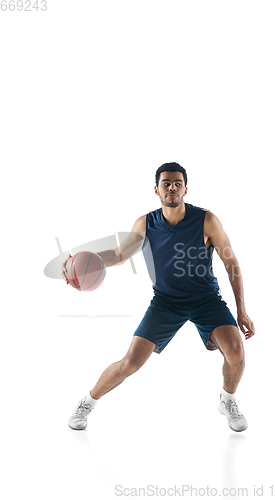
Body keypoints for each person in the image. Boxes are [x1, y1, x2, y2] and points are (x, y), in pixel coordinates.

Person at [65, 162, 255, 432]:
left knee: (236, 352)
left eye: (178, 183)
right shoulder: (146, 223)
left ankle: (228, 400)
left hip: (206, 300)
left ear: (186, 189)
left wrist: (242, 310)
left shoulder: (207, 220)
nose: (172, 187)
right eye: (166, 183)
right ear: (156, 189)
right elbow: (119, 256)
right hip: (166, 302)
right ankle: (87, 402)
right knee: (130, 363)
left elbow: (231, 263)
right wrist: (82, 263)